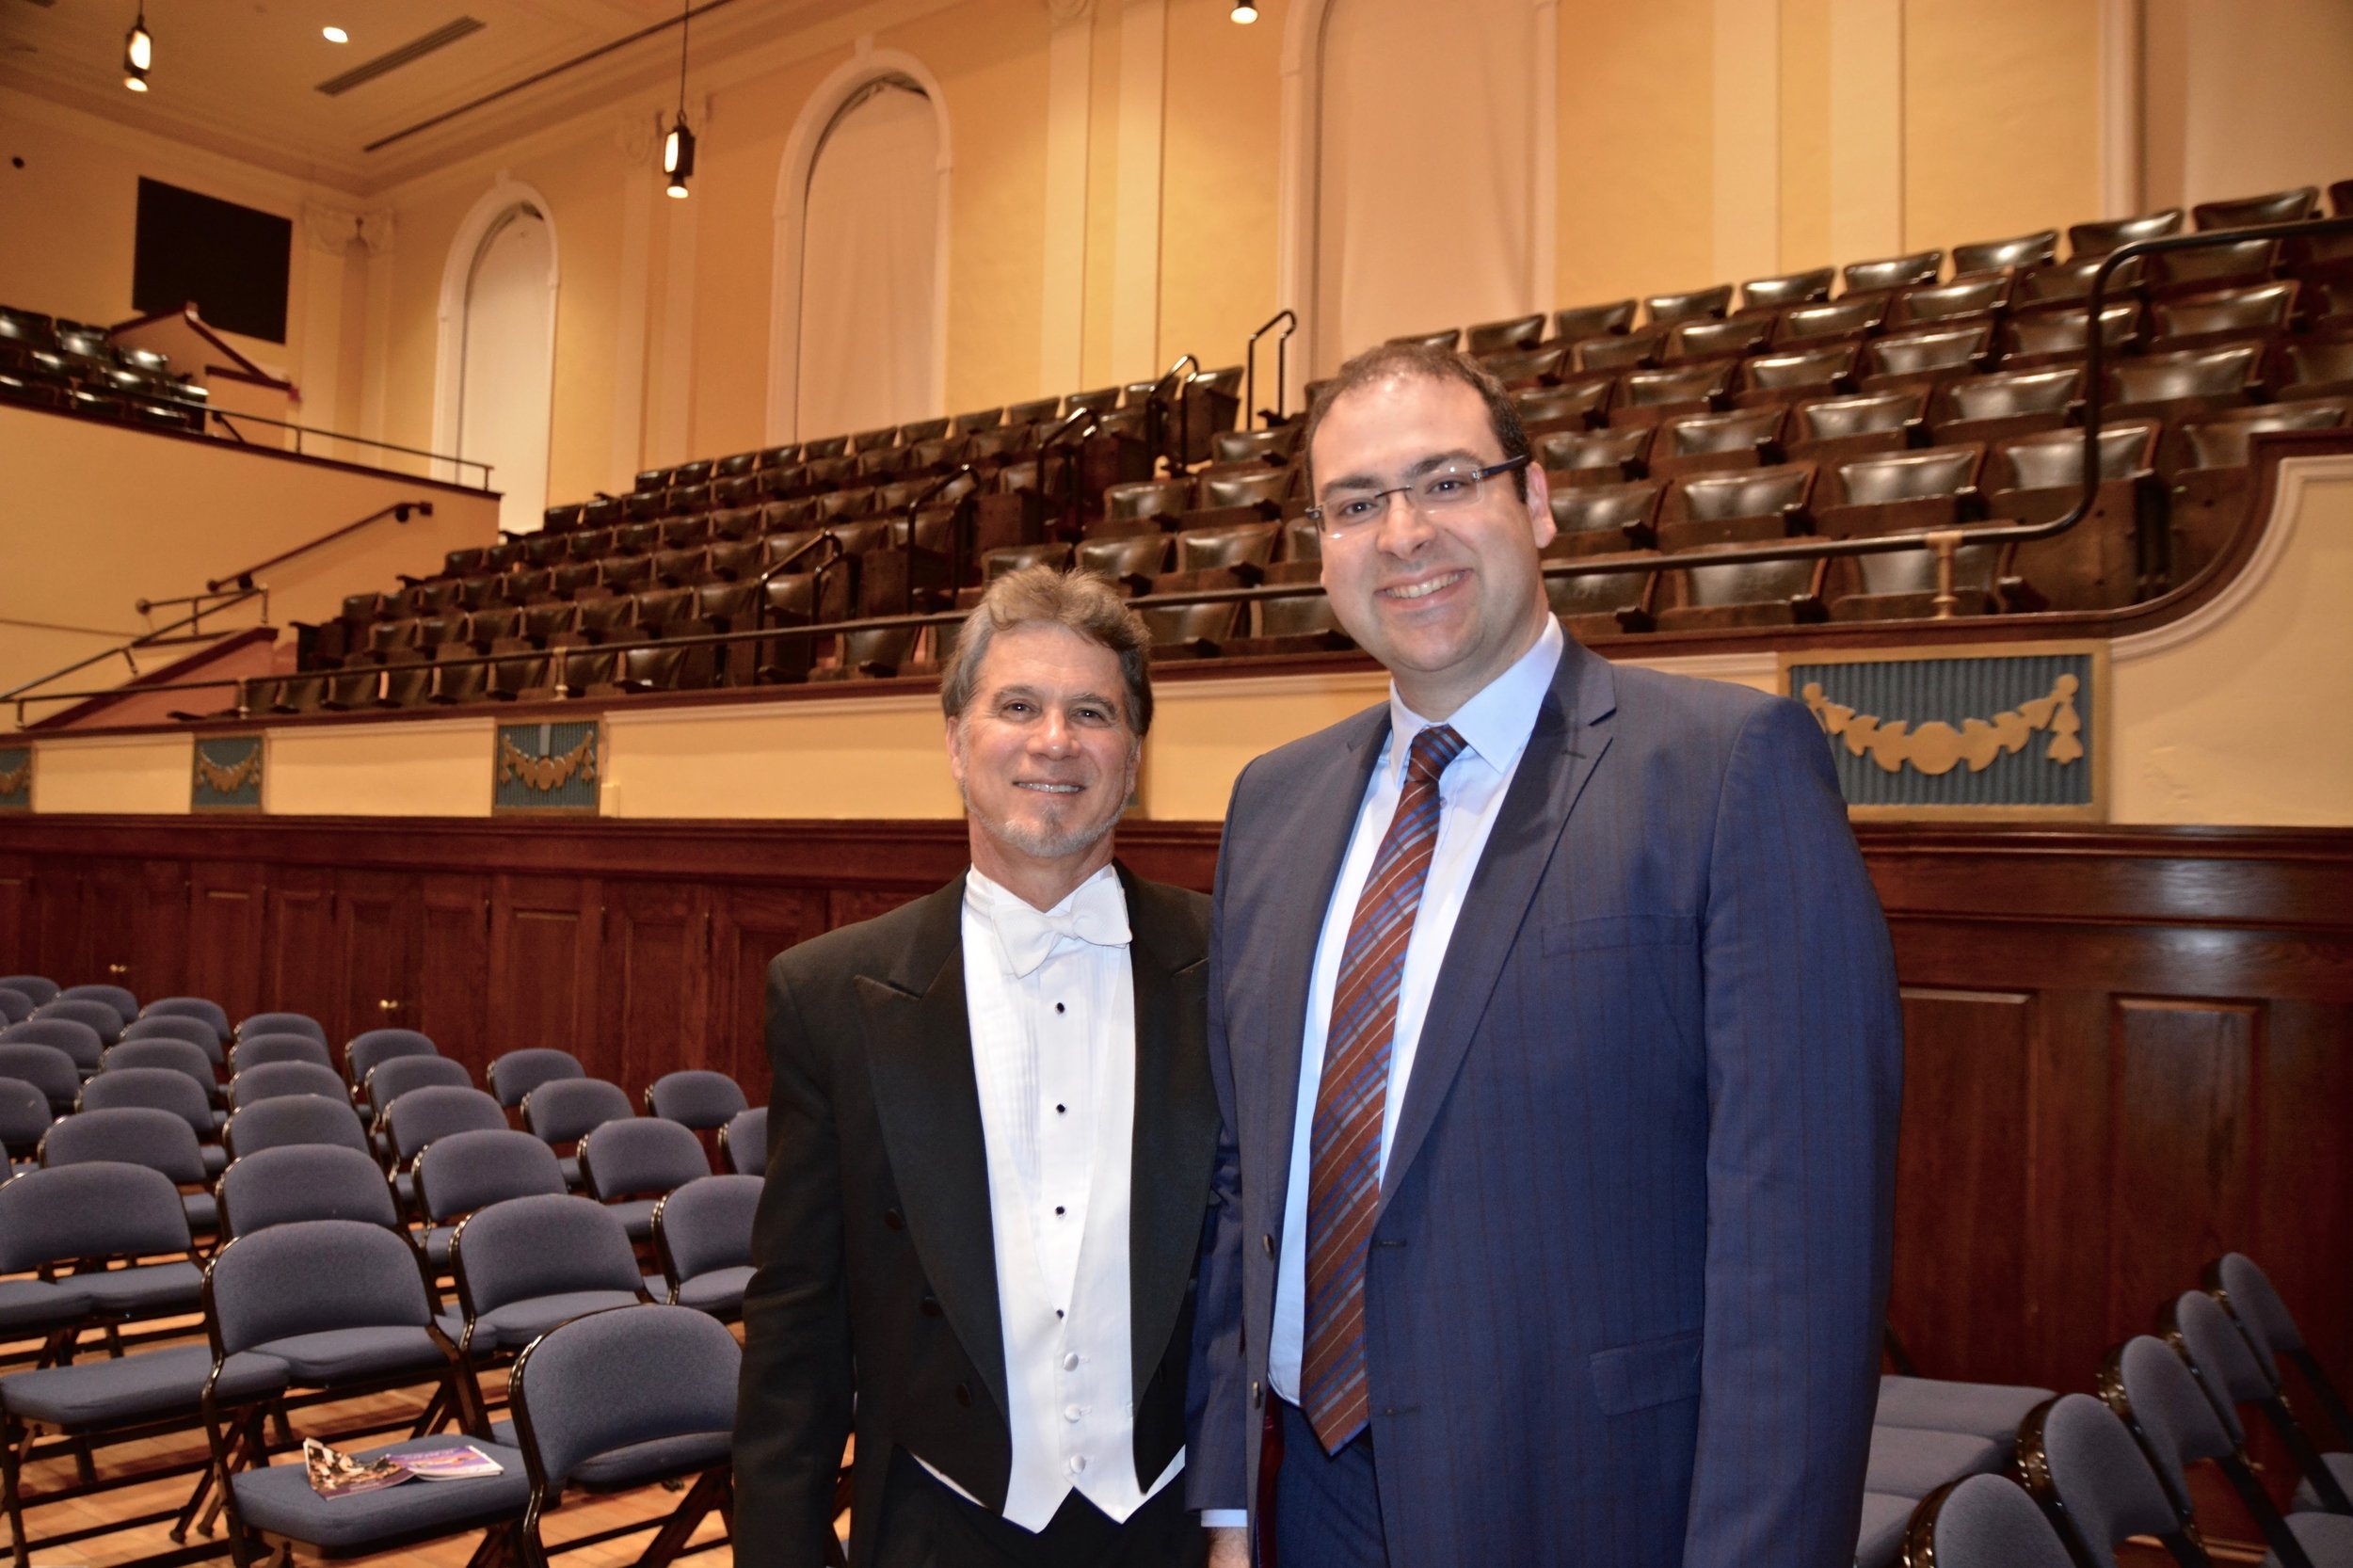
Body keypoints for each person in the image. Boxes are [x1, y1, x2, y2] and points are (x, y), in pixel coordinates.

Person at [1186, 344, 1903, 1567]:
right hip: (1311, 1498)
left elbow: (1800, 1257)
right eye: (1357, 503)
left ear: (1538, 501)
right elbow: (1247, 1177)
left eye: (1447, 480)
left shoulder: (1728, 770)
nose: (1403, 531)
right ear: (1321, 549)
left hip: (1595, 1505)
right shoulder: (1273, 803)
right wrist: (1227, 1505)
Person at [736, 567, 1219, 1568]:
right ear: (957, 742)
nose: (1055, 740)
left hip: (1175, 1531)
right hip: (932, 1530)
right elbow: (798, 1329)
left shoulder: (1236, 966)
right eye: (1017, 706)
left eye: (1093, 711)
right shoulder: (830, 993)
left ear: (1132, 757)